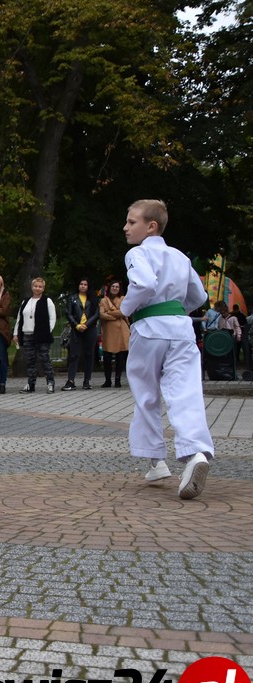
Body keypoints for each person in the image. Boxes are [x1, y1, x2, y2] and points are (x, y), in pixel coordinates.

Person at [121, 199, 214, 499]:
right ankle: (196, 453)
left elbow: (144, 285)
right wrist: (175, 309)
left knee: (146, 393)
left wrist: (126, 307)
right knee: (185, 391)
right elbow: (198, 296)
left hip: (149, 329)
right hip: (180, 328)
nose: (125, 227)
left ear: (151, 226)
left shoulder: (137, 252)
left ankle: (156, 459)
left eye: (131, 222)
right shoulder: (180, 257)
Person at [14, 277, 58, 394]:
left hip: (42, 335)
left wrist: (48, 331)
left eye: (40, 286)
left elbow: (52, 317)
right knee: (30, 361)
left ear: (43, 288)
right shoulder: (25, 301)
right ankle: (31, 384)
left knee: (45, 359)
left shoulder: (47, 301)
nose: (37, 288)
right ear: (32, 287)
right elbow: (20, 318)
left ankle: (50, 382)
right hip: (27, 334)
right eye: (35, 286)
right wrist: (16, 333)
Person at [63, 278, 99, 390]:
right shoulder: (72, 298)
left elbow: (96, 314)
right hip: (76, 329)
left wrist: (87, 324)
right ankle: (70, 380)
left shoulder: (93, 299)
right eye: (81, 284)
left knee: (89, 354)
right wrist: (77, 325)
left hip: (90, 329)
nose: (83, 286)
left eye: (85, 284)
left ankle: (87, 381)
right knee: (74, 355)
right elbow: (68, 313)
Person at [98, 280, 130, 388]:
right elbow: (101, 314)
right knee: (107, 357)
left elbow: (124, 312)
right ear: (109, 287)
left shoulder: (123, 299)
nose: (115, 288)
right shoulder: (103, 300)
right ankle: (107, 380)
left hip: (122, 330)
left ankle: (118, 380)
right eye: (113, 286)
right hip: (109, 331)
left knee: (120, 357)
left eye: (117, 286)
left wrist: (109, 313)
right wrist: (116, 315)